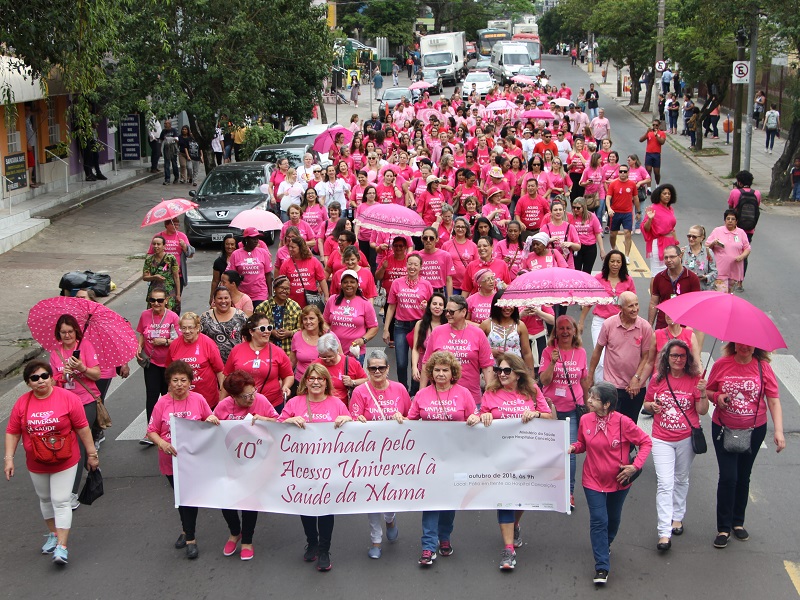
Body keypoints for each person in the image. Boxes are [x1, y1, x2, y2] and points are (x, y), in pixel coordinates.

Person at [4, 360, 99, 566]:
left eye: (44, 376)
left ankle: (62, 547)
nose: (41, 381)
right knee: (45, 499)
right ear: (28, 383)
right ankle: (53, 534)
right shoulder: (22, 403)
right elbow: (12, 432)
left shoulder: (68, 398)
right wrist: (9, 459)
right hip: (37, 461)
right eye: (34, 378)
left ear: (51, 377)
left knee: (61, 500)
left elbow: (83, 428)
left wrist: (91, 454)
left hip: (65, 459)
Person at [568, 381, 652, 585]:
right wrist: (573, 447)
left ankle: (606, 543)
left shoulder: (623, 422)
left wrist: (635, 466)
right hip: (592, 479)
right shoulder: (585, 419)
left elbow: (645, 442)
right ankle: (602, 566)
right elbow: (582, 444)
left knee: (612, 519)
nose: (588, 401)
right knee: (599, 520)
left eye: (594, 398)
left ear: (606, 404)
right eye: (589, 396)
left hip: (619, 481)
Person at [706, 342, 785, 549]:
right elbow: (709, 390)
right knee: (728, 476)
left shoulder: (763, 367)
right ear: (733, 343)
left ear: (756, 347)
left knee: (743, 475)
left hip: (754, 431)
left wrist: (778, 431)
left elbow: (773, 401)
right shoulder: (722, 364)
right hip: (724, 428)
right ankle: (723, 528)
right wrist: (717, 396)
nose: (745, 347)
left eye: (750, 345)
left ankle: (737, 522)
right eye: (741, 343)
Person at [479, 353, 553, 569]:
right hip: (500, 456)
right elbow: (482, 415)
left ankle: (515, 523)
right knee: (505, 499)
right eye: (498, 370)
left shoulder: (532, 390)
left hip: (526, 454)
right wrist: (484, 417)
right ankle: (508, 550)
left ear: (518, 374)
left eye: (506, 370)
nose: (501, 374)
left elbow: (548, 416)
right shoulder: (490, 392)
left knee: (521, 498)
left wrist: (535, 414)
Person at [407, 351, 480, 565]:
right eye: (437, 370)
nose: (440, 374)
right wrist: (398, 421)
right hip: (429, 458)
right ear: (431, 372)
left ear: (452, 372)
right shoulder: (422, 395)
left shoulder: (463, 393)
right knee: (430, 500)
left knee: (449, 500)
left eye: (445, 370)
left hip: (456, 457)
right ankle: (428, 546)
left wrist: (474, 418)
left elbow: (473, 416)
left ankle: (445, 536)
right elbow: (411, 421)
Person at [278, 364, 353, 571]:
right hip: (303, 467)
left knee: (326, 509)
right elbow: (277, 428)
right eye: (311, 378)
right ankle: (311, 542)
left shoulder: (336, 403)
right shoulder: (295, 402)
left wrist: (347, 419)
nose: (316, 382)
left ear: (326, 382)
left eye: (320, 378)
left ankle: (324, 549)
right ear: (305, 381)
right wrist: (289, 420)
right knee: (306, 506)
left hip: (329, 467)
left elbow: (352, 432)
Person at [147, 360, 218, 559]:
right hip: (170, 460)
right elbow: (151, 431)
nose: (179, 384)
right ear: (169, 383)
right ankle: (186, 530)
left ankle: (190, 539)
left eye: (183, 380)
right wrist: (162, 443)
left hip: (194, 460)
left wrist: (211, 420)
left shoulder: (198, 399)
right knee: (180, 497)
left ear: (190, 382)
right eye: (175, 380)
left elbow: (210, 421)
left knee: (188, 497)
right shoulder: (162, 403)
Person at [642, 339, 708, 550]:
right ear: (666, 358)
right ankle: (664, 532)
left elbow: (702, 410)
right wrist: (652, 406)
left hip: (686, 438)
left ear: (687, 359)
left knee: (681, 478)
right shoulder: (657, 378)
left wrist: (703, 392)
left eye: (682, 356)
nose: (678, 359)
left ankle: (677, 516)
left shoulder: (695, 379)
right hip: (661, 438)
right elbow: (647, 403)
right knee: (664, 483)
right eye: (674, 355)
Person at [349, 349, 409, 558]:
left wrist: (402, 418)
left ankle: (390, 518)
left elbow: (411, 418)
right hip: (369, 454)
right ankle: (376, 539)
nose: (377, 371)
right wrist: (358, 421)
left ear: (387, 369)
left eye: (381, 367)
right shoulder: (360, 392)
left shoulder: (400, 389)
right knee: (371, 496)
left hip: (394, 453)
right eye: (372, 368)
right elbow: (352, 420)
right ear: (367, 369)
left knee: (390, 492)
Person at [213, 370, 279, 560]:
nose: (251, 398)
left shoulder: (261, 401)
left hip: (255, 463)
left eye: (253, 393)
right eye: (245, 396)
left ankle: (247, 540)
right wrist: (210, 421)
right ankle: (235, 532)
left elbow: (278, 422)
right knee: (226, 500)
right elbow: (212, 430)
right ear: (233, 396)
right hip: (228, 462)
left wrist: (265, 420)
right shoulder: (223, 406)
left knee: (249, 501)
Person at [48, 314, 102, 507]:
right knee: (74, 444)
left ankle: (71, 492)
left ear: (76, 331)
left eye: (70, 331)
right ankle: (92, 463)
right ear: (58, 333)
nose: (67, 335)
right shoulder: (56, 353)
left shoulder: (85, 346)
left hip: (86, 401)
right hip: (64, 404)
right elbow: (51, 382)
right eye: (63, 332)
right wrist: (62, 376)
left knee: (77, 444)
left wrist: (82, 368)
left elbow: (97, 374)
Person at [539, 315, 591, 506]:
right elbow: (544, 381)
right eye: (561, 328)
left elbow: (584, 381)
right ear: (556, 332)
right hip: (550, 411)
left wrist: (588, 404)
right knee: (548, 451)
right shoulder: (548, 352)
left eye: (569, 328)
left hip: (571, 410)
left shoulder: (581, 352)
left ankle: (568, 491)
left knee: (569, 451)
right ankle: (548, 487)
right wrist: (552, 363)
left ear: (574, 331)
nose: (565, 332)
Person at [588, 291, 654, 424]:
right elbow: (597, 351)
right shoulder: (609, 324)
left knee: (630, 425)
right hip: (612, 385)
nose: (635, 309)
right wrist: (590, 376)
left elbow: (646, 356)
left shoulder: (645, 327)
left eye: (636, 305)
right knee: (611, 424)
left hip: (635, 387)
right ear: (620, 308)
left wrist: (636, 379)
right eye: (630, 306)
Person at [420, 295, 495, 404]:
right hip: (441, 398)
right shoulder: (437, 332)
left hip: (471, 397)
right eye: (446, 311)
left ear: (463, 312)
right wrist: (421, 393)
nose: (447, 314)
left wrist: (489, 395)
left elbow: (487, 366)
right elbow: (426, 363)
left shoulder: (478, 334)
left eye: (451, 312)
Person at [578, 250, 637, 381]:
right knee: (601, 360)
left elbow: (633, 303)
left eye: (618, 262)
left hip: (621, 324)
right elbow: (589, 301)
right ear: (607, 262)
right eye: (612, 261)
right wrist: (581, 322)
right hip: (600, 322)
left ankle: (615, 384)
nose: (615, 264)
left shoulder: (628, 280)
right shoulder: (598, 278)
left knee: (618, 358)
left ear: (622, 263)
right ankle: (600, 387)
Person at [136, 288, 180, 444]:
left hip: (169, 365)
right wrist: (139, 346)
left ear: (166, 301)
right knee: (152, 397)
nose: (156, 303)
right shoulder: (145, 315)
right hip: (152, 362)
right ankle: (151, 432)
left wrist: (165, 341)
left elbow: (179, 340)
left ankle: (171, 430)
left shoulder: (173, 317)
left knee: (169, 396)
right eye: (153, 300)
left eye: (160, 300)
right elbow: (142, 333)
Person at [224, 314, 294, 412]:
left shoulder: (278, 352)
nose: (267, 331)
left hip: (272, 405)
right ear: (251, 332)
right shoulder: (237, 350)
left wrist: (285, 386)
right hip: (242, 404)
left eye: (269, 328)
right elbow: (227, 377)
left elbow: (288, 375)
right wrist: (222, 403)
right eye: (262, 328)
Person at [382, 254, 433, 390]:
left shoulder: (426, 285)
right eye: (410, 264)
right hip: (401, 326)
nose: (412, 267)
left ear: (420, 267)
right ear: (406, 265)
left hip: (419, 326)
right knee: (401, 362)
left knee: (418, 362)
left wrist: (426, 307)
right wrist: (386, 329)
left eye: (416, 264)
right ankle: (403, 389)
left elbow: (433, 307)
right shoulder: (397, 283)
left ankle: (415, 391)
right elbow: (391, 306)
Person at [168, 312, 225, 409]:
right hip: (182, 399)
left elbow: (220, 371)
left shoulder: (208, 343)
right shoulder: (174, 345)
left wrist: (222, 396)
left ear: (197, 327)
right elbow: (170, 373)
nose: (187, 331)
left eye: (190, 328)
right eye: (183, 328)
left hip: (207, 399)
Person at [324, 270, 378, 365]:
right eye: (345, 282)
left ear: (357, 284)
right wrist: (329, 333)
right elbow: (324, 321)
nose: (349, 285)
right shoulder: (332, 300)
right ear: (341, 285)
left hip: (354, 352)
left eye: (352, 282)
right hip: (333, 350)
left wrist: (363, 340)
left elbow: (374, 327)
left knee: (353, 375)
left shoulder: (365, 303)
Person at [480, 290, 535, 373]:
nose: (508, 308)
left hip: (515, 371)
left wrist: (530, 375)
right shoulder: (486, 325)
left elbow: (526, 353)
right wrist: (489, 351)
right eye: (504, 304)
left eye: (511, 304)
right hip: (492, 371)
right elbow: (477, 348)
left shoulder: (520, 325)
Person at [647, 245, 700, 330]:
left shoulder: (692, 278)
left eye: (672, 257)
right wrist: (649, 326)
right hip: (662, 327)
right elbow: (653, 303)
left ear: (680, 256)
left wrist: (689, 326)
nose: (668, 260)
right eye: (666, 257)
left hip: (683, 328)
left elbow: (695, 305)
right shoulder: (659, 277)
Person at [254, 275, 302, 355]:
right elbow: (255, 328)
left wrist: (290, 333)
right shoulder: (263, 307)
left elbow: (301, 329)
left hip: (288, 351)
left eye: (287, 289)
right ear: (274, 289)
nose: (284, 291)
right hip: (267, 350)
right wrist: (271, 331)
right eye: (281, 288)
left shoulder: (295, 307)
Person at [706, 210, 751, 294]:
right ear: (725, 220)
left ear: (736, 221)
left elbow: (747, 248)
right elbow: (707, 246)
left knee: (729, 295)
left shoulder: (741, 233)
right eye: (728, 218)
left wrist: (742, 256)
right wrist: (713, 243)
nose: (730, 221)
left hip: (734, 270)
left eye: (733, 219)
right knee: (721, 294)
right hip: (720, 269)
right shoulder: (717, 231)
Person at [226, 227, 273, 307]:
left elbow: (268, 274)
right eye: (253, 238)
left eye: (257, 238)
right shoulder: (236, 254)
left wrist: (270, 294)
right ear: (246, 239)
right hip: (242, 294)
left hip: (260, 294)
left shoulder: (263, 252)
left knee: (259, 314)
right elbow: (231, 275)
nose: (256, 241)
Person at [201, 286, 247, 364]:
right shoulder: (205, 317)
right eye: (220, 298)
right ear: (214, 300)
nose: (223, 301)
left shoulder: (240, 315)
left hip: (237, 361)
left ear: (230, 299)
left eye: (226, 298)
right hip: (213, 362)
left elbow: (250, 335)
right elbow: (199, 339)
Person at [605, 164, 641, 264]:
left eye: (625, 171)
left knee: (627, 233)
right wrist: (609, 208)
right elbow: (608, 197)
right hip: (615, 213)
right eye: (621, 171)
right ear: (618, 172)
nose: (623, 173)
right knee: (613, 234)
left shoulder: (632, 184)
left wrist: (638, 211)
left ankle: (626, 256)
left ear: (628, 172)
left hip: (627, 213)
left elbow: (636, 198)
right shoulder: (613, 184)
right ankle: (613, 248)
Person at [279, 236, 328, 309]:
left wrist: (326, 296)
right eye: (289, 247)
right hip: (292, 304)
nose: (290, 249)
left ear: (300, 248)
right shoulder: (286, 264)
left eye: (293, 247)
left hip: (311, 303)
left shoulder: (313, 261)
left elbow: (322, 280)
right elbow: (280, 283)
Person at [641, 184, 679, 272]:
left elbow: (672, 229)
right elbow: (646, 228)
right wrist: (650, 219)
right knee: (657, 273)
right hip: (658, 244)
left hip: (670, 243)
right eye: (664, 193)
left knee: (670, 272)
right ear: (659, 195)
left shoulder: (670, 209)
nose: (667, 196)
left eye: (669, 194)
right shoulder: (653, 208)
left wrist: (676, 244)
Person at [290, 305, 329, 382]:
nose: (308, 322)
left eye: (311, 318)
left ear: (319, 319)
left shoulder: (329, 336)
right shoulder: (297, 336)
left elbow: (339, 360)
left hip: (322, 382)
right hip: (301, 381)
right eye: (305, 319)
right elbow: (292, 362)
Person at [143, 235, 181, 311]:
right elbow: (145, 277)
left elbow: (176, 277)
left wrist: (178, 294)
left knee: (168, 313)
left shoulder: (171, 258)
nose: (156, 246)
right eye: (154, 244)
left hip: (168, 292)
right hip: (154, 292)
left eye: (158, 244)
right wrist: (154, 277)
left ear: (164, 246)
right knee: (154, 312)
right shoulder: (149, 260)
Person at [568, 197, 604, 274]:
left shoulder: (592, 216)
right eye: (574, 207)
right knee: (576, 271)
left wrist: (602, 250)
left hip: (590, 247)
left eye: (578, 208)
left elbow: (598, 234)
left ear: (584, 207)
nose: (575, 210)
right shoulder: (571, 217)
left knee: (587, 272)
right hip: (577, 247)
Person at [442, 217, 477, 294]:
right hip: (451, 285)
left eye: (463, 227)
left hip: (468, 286)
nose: (460, 229)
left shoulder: (473, 246)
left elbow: (476, 265)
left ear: (466, 229)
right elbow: (442, 265)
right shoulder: (446, 245)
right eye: (458, 226)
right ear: (454, 228)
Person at [682, 224, 717, 294]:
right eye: (689, 236)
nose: (691, 239)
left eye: (694, 237)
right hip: (686, 291)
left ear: (702, 238)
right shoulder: (682, 252)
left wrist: (706, 277)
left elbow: (714, 272)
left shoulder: (708, 252)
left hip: (703, 290)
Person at [210, 234, 237, 304]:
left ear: (236, 245)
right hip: (224, 294)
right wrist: (212, 296)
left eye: (232, 244)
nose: (230, 247)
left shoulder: (240, 260)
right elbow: (215, 281)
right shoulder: (218, 262)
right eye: (227, 244)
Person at [639, 119, 666, 185]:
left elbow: (662, 142)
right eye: (653, 125)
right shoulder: (649, 132)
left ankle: (657, 185)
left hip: (656, 154)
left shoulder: (661, 133)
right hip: (649, 154)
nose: (655, 126)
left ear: (659, 125)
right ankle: (649, 188)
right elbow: (641, 140)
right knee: (648, 171)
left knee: (656, 172)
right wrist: (647, 133)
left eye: (656, 125)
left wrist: (656, 135)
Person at [160, 120, 179, 185]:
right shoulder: (163, 131)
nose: (165, 125)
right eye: (164, 123)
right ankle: (167, 179)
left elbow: (176, 139)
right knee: (166, 164)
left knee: (174, 163)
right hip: (166, 148)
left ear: (170, 124)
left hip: (172, 147)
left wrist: (171, 139)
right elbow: (161, 140)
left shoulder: (173, 130)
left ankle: (176, 177)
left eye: (166, 123)